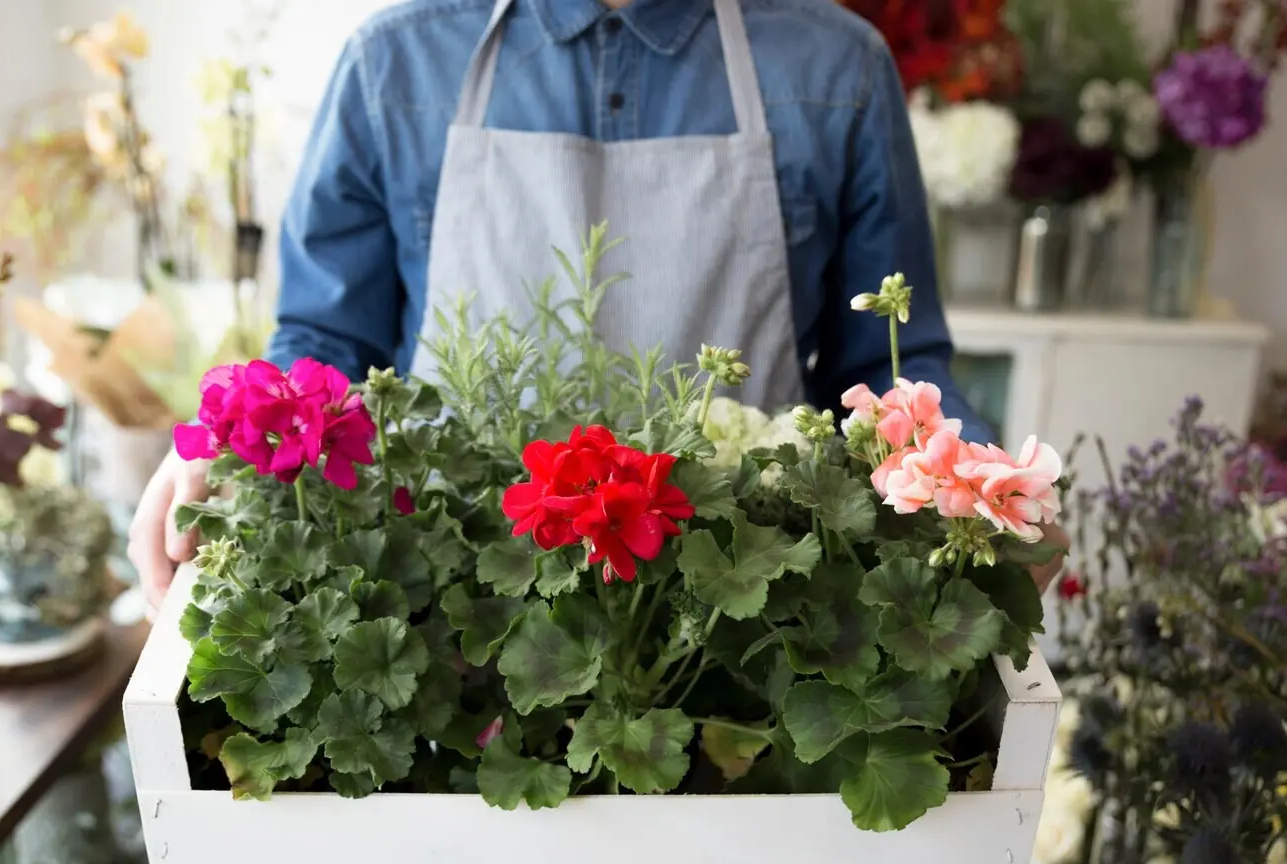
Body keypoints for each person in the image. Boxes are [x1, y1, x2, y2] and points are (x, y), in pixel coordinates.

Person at [129, 0, 1068, 610]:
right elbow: (329, 343)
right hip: (457, 612)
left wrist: (979, 480)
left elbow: (890, 368)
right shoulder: (395, 68)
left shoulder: (833, 72)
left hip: (738, 626)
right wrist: (231, 448)